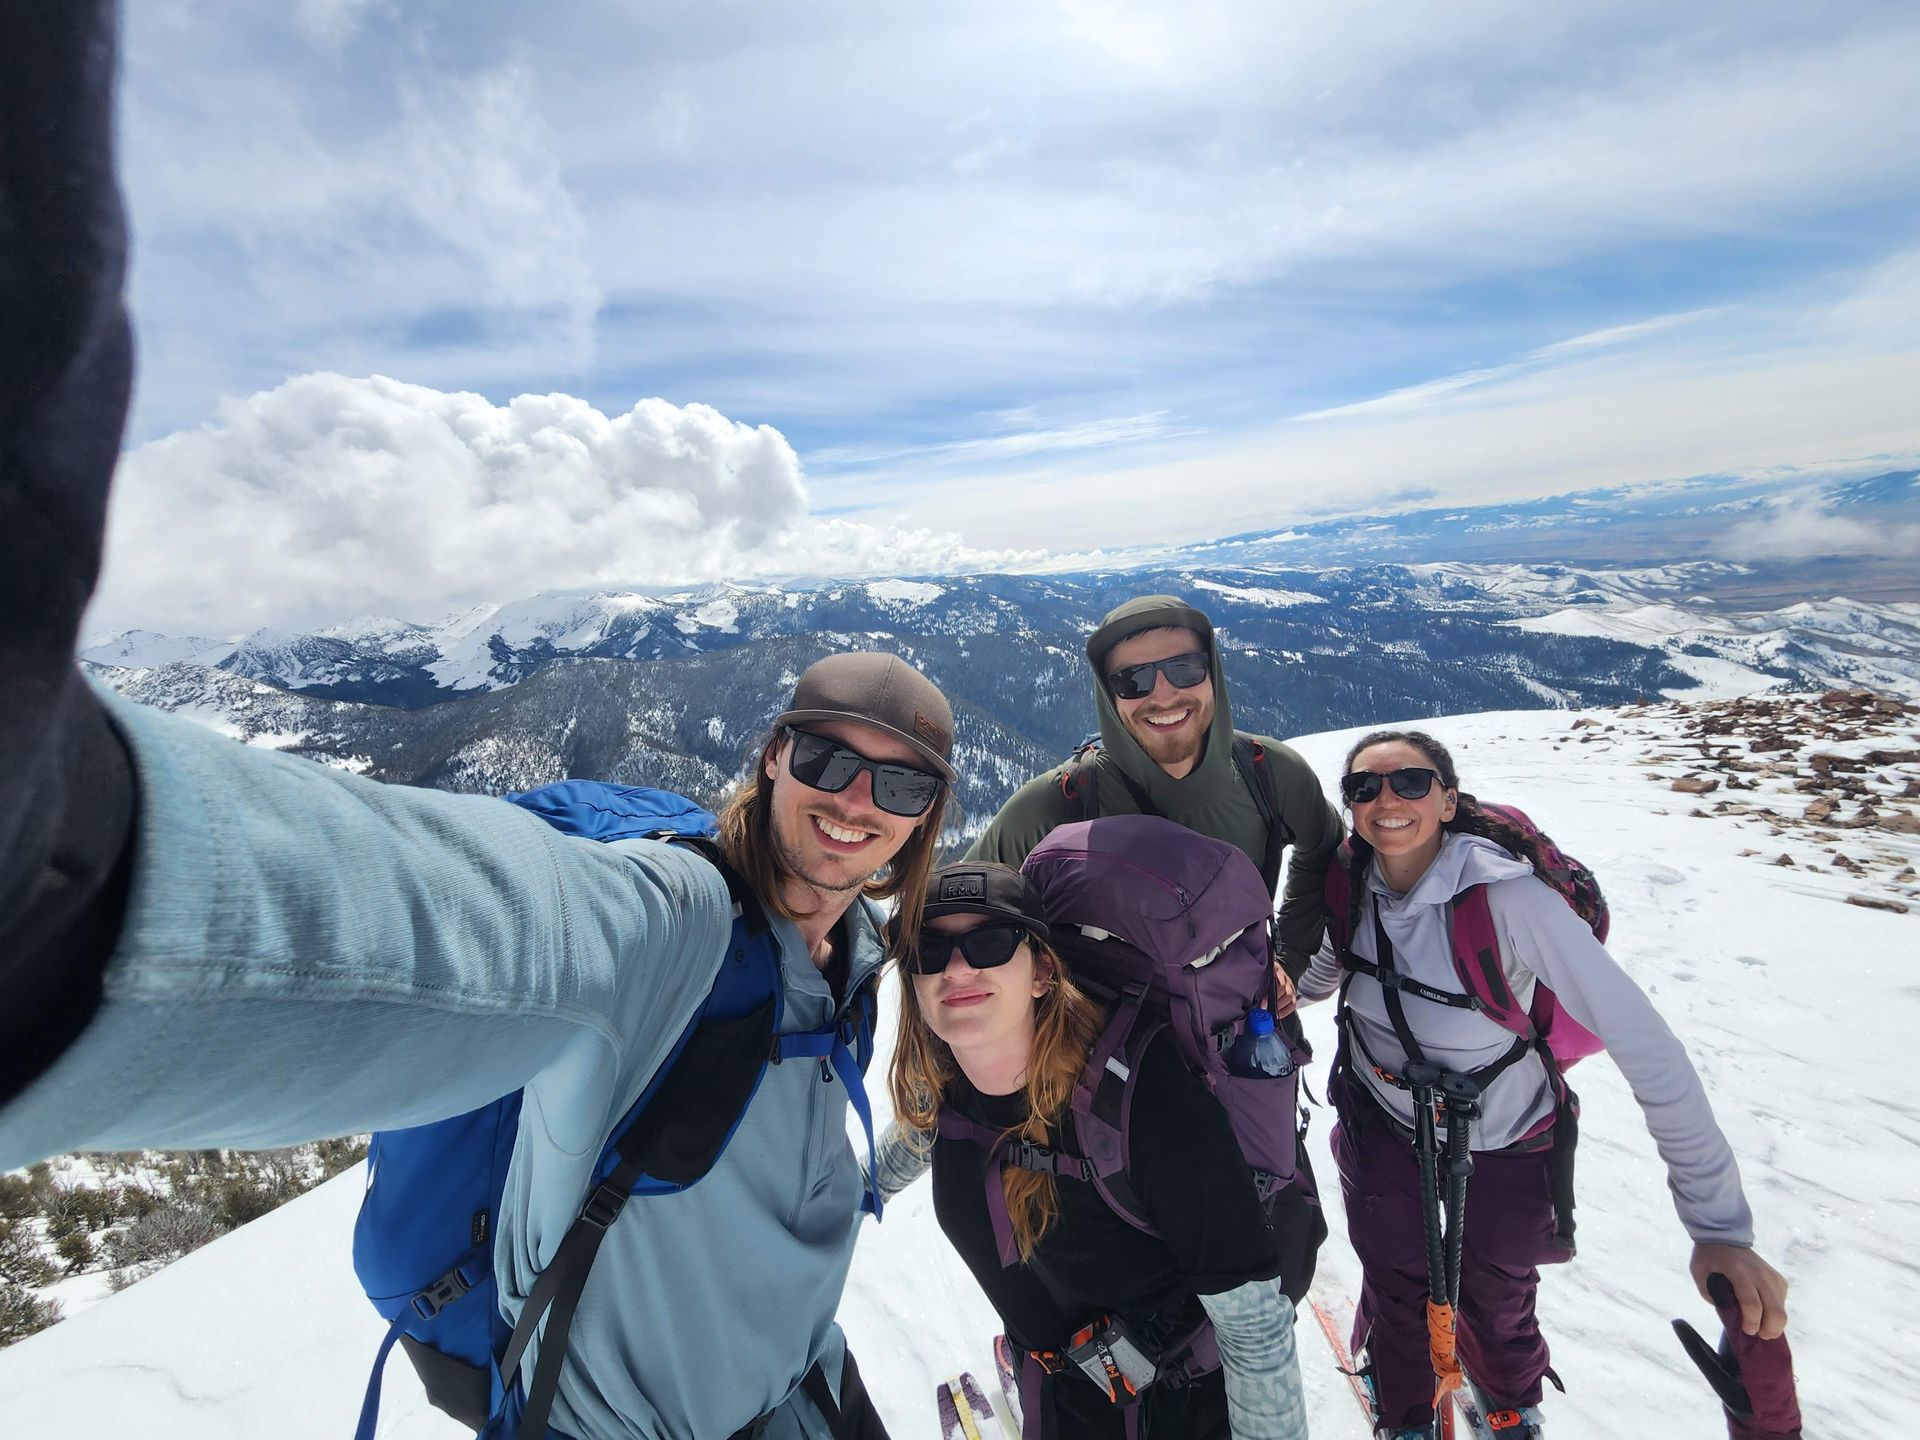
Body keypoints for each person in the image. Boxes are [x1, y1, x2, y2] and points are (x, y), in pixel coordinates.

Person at [0, 12, 950, 1436]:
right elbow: (438, 926)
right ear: (770, 756)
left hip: (816, 1392)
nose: (853, 802)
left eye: (901, 787)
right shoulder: (661, 926)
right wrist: (61, 873)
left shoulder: (861, 947)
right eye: (824, 758)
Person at [1300, 730, 1790, 1440]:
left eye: (1410, 782)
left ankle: (1508, 1401)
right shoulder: (1352, 887)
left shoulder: (1509, 902)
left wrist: (1719, 1228)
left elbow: (1647, 1047)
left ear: (1447, 800)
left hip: (1503, 1128)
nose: (1387, 800)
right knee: (1395, 1271)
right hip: (1382, 1118)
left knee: (1496, 1288)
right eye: (1364, 787)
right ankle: (1406, 1408)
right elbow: (1321, 971)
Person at [873, 861, 1308, 1440]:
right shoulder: (949, 1085)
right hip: (1058, 1396)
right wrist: (841, 1198)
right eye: (929, 950)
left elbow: (1255, 1328)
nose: (956, 968)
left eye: (990, 942)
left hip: (1177, 1412)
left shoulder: (1147, 1104)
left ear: (1042, 971)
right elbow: (912, 1141)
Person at [967, 596, 1342, 986]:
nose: (1163, 696)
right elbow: (955, 906)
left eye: (1185, 669)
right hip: (1100, 1039)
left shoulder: (1271, 773)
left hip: (1243, 1024)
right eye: (1133, 680)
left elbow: (1324, 847)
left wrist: (1289, 958)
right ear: (1109, 696)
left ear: (1212, 673)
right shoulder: (1061, 801)